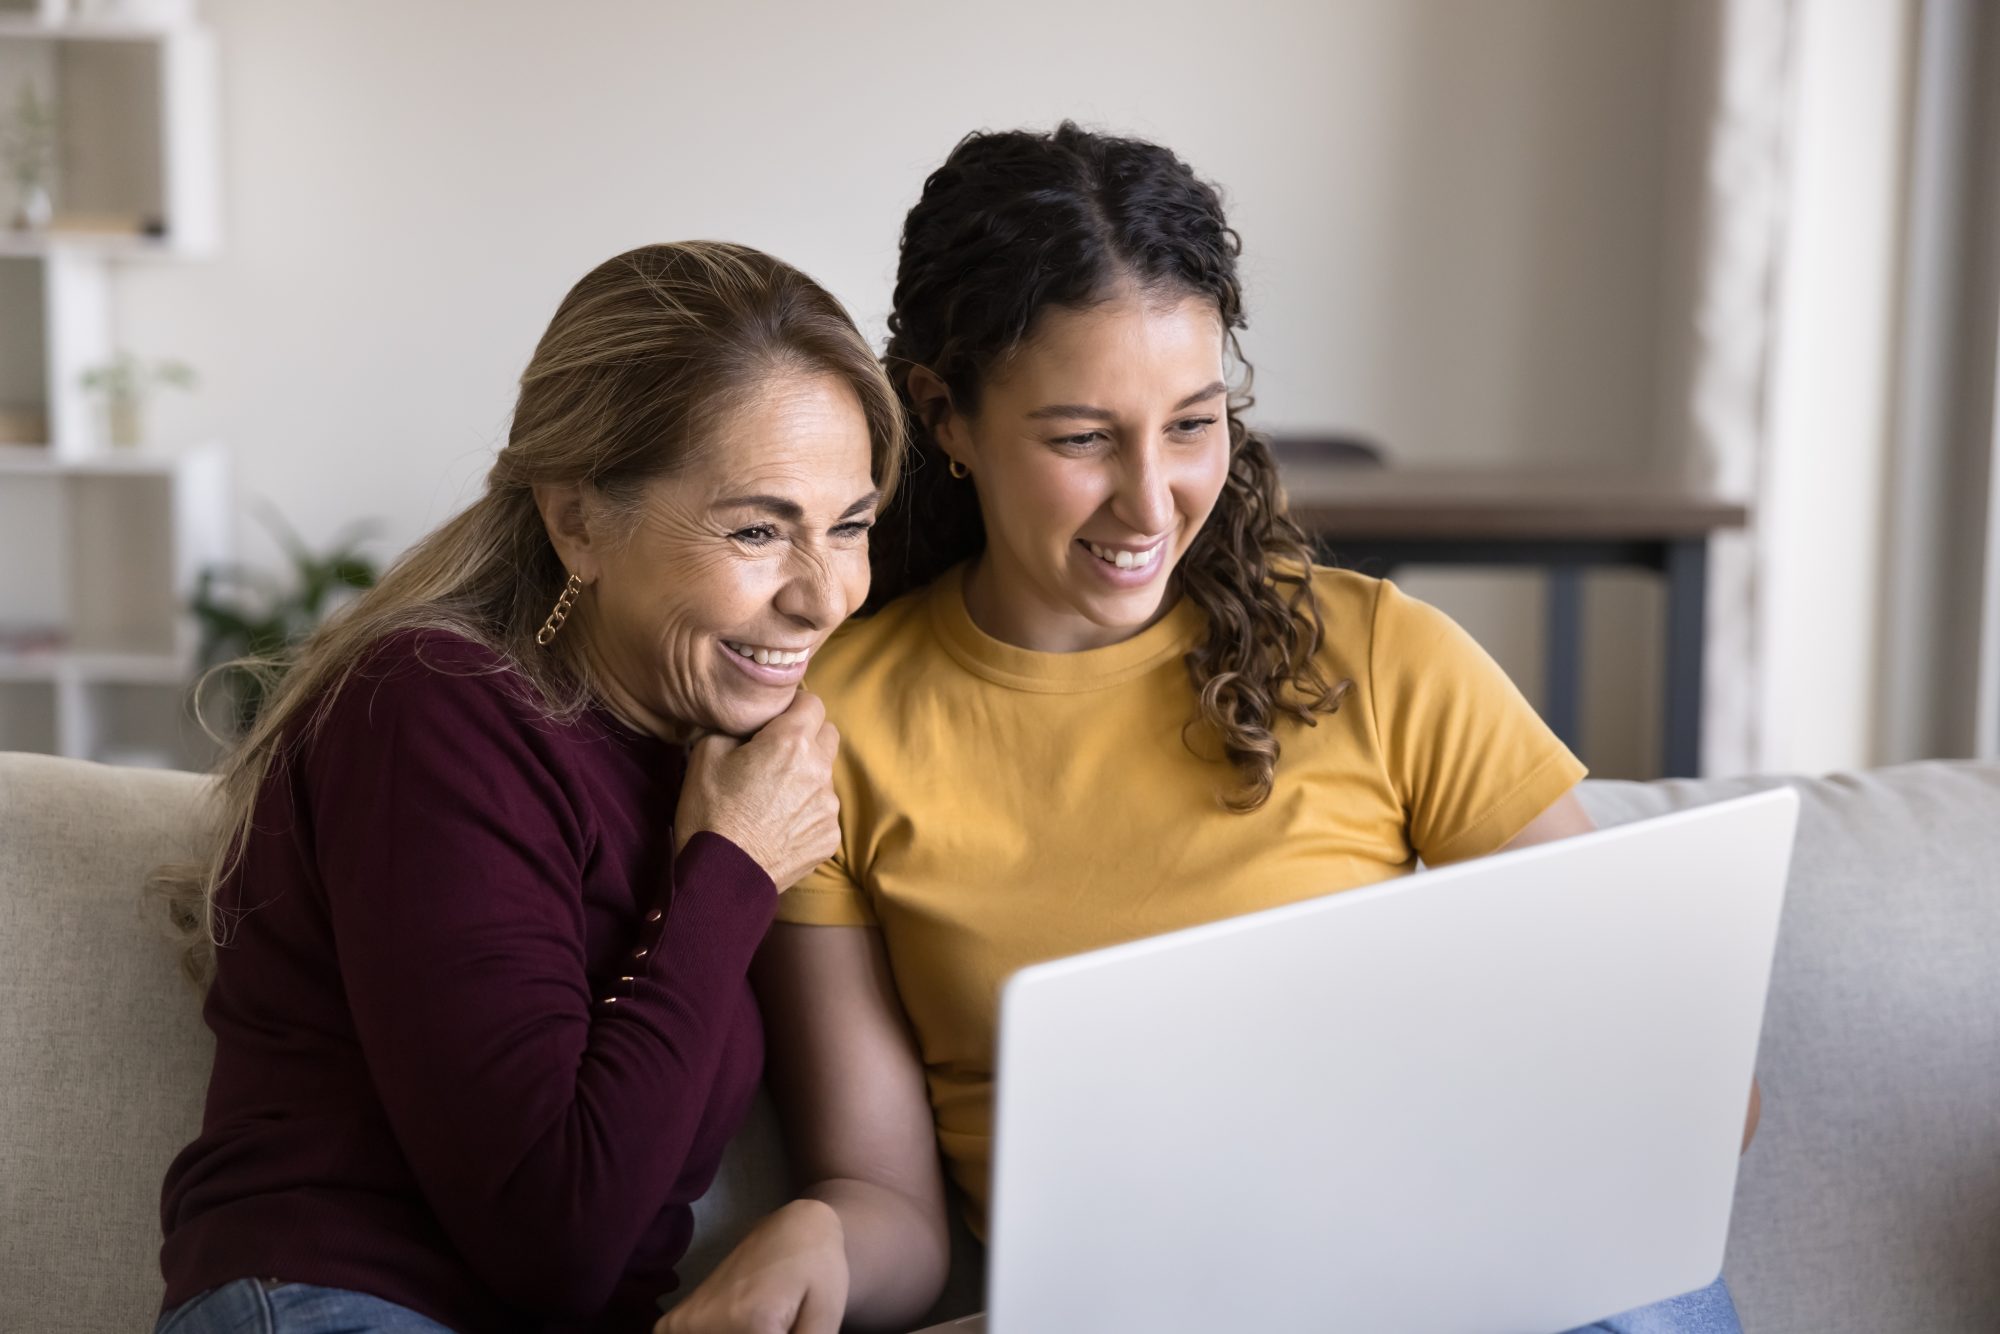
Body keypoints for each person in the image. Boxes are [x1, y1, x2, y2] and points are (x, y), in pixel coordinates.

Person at [662, 126, 1755, 1334]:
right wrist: (818, 1230)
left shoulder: (1382, 656)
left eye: (1190, 423)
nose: (1149, 499)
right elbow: (891, 1208)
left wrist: (1648, 1092)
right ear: (946, 417)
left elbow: (1686, 1085)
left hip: (1472, 1284)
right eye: (1080, 438)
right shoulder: (838, 731)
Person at [151, 240, 902, 1334]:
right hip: (330, 1305)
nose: (825, 595)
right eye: (757, 528)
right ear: (577, 520)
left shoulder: (699, 752)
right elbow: (556, 1235)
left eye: (848, 525)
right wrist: (732, 865)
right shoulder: (430, 708)